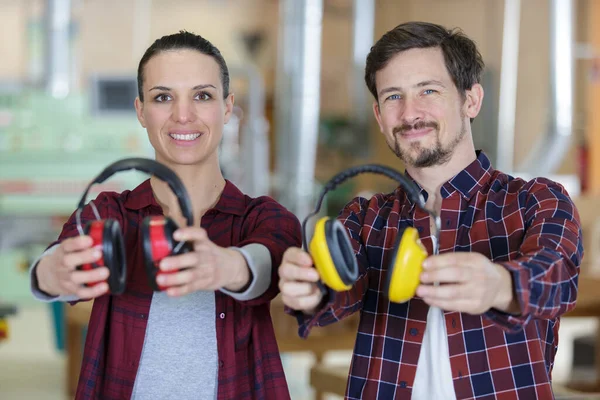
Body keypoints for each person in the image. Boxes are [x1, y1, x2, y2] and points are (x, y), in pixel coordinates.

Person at [278, 21, 583, 399]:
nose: (410, 113)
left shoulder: (537, 200)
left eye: (428, 90)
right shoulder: (365, 218)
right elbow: (333, 290)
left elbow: (558, 279)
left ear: (470, 100)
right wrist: (308, 291)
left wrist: (499, 285)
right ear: (378, 115)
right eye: (393, 96)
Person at [30, 30, 301, 400]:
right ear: (141, 111)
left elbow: (268, 263)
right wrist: (51, 272)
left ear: (226, 107)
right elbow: (53, 263)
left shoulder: (264, 218)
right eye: (163, 97)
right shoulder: (109, 213)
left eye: (202, 96)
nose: (183, 115)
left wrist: (227, 266)